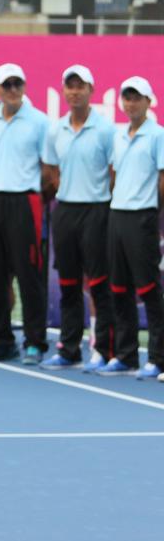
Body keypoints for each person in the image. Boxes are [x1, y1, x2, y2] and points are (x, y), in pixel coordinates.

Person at [40, 65, 117, 372]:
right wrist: (67, 188)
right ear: (64, 91)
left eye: (80, 86)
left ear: (91, 90)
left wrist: (98, 195)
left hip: (97, 210)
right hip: (66, 211)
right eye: (69, 86)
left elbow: (114, 171)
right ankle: (69, 349)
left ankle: (102, 349)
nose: (74, 92)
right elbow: (51, 169)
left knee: (98, 282)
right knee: (69, 282)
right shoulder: (55, 129)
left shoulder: (106, 129)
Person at [0, 63, 50, 365]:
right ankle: (1, 340)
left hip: (25, 201)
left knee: (28, 274)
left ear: (25, 86)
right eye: (7, 85)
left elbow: (48, 169)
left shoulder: (40, 121)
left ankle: (34, 342)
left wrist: (27, 190)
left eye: (18, 83)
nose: (13, 89)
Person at [101, 76, 164, 378]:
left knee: (149, 288)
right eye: (127, 97)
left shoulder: (158, 135)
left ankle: (158, 357)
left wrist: (153, 213)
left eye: (137, 97)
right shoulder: (118, 135)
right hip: (118, 215)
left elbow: (162, 179)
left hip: (143, 217)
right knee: (119, 287)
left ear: (148, 101)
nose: (131, 103)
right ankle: (126, 355)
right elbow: (115, 175)